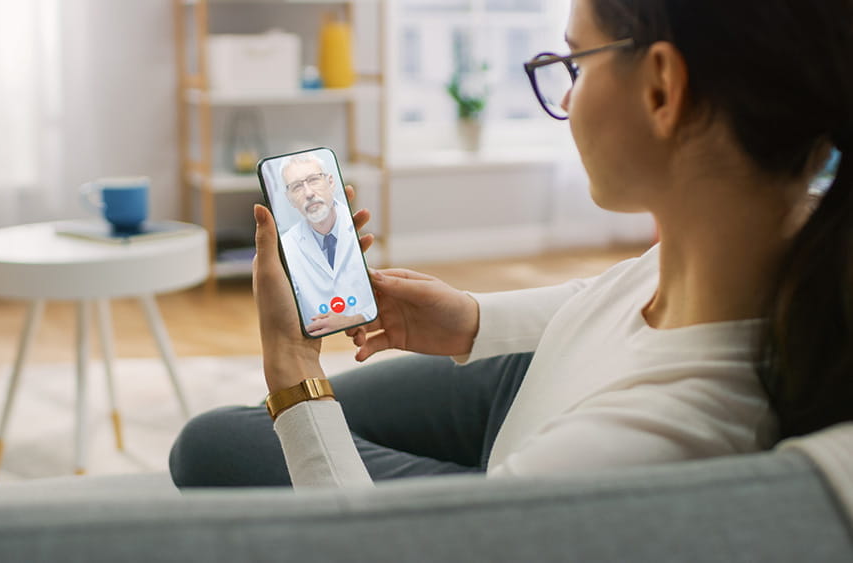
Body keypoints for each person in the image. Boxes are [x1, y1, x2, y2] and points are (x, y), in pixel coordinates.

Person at [169, 0, 853, 488]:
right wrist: (473, 318)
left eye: (573, 62)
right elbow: (613, 293)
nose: (565, 93)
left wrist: (292, 363)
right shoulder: (777, 238)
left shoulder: (647, 441)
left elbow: (367, 548)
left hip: (540, 445)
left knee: (215, 442)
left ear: (660, 88)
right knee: (226, 434)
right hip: (549, 373)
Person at [273, 152, 376, 337]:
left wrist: (356, 319)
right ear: (290, 199)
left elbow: (374, 298)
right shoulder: (287, 246)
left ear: (331, 182)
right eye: (297, 187)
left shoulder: (356, 229)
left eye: (313, 180)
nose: (309, 193)